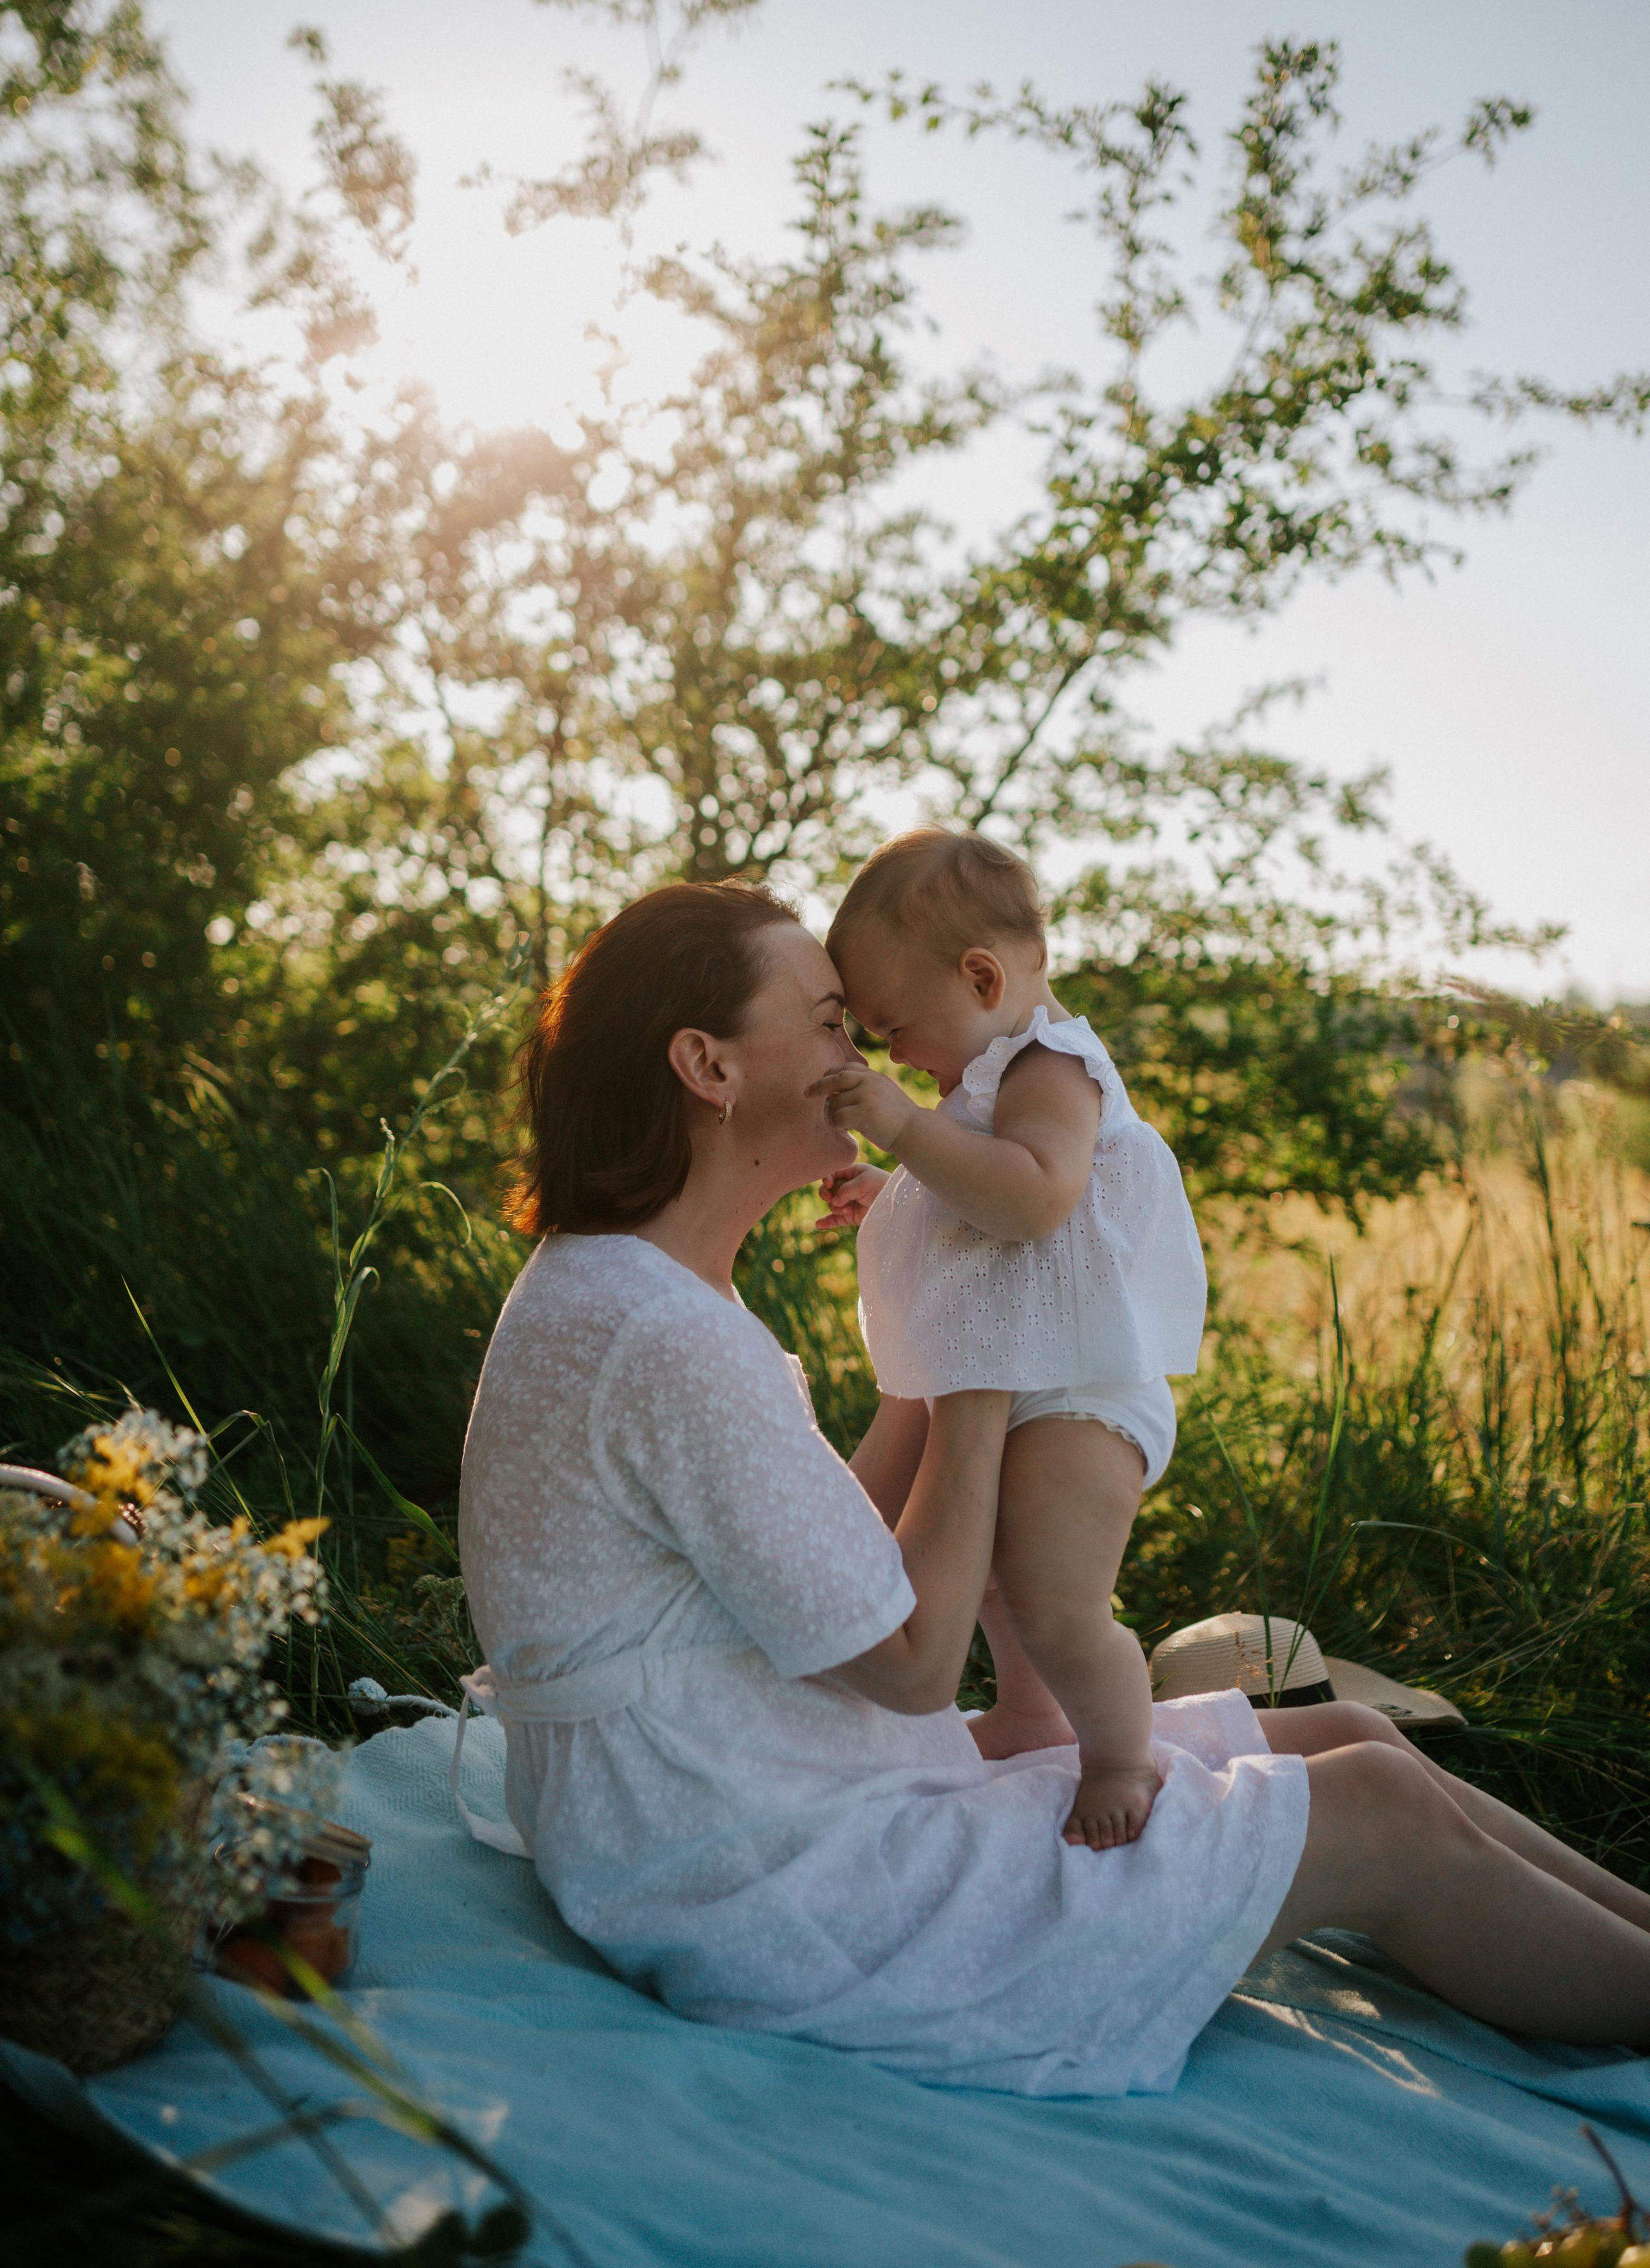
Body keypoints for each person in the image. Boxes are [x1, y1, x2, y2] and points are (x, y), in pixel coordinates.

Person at [458, 877, 1650, 2098]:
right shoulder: (659, 1335)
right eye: (824, 1022)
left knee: (1353, 1733)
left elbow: (845, 1559)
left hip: (754, 1804)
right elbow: (920, 1660)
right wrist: (982, 1361)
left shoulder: (635, 1295)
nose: (859, 1053)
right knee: (1378, 1809)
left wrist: (940, 1349)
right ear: (707, 1066)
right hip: (781, 1886)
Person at [815, 826, 1203, 1851]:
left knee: (1053, 1589)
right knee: (986, 1572)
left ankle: (1121, 1754)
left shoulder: (1050, 1065)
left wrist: (900, 1129)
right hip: (1027, 1373)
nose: (892, 1056)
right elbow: (971, 1187)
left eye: (895, 1028)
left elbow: (1032, 1201)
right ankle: (1032, 1716)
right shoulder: (981, 1081)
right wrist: (893, 1189)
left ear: (981, 977)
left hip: (1083, 1386)